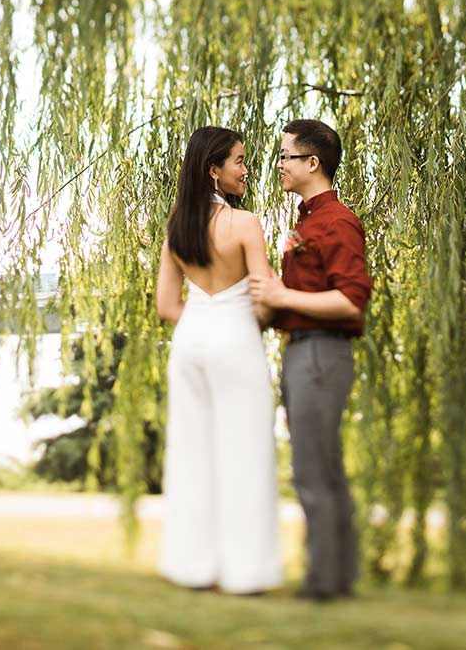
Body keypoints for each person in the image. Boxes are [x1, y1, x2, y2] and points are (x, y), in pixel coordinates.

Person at [154, 125, 284, 594]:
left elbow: (167, 307)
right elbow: (265, 299)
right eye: (240, 161)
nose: (247, 170)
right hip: (234, 339)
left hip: (190, 342)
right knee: (245, 452)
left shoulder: (177, 227)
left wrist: (204, 319)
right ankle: (247, 573)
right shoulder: (245, 224)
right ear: (214, 170)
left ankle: (192, 566)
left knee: (192, 452)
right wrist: (263, 314)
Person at [249, 119, 372, 602]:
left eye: (285, 156)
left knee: (312, 470)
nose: (278, 164)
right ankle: (339, 577)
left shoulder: (336, 221)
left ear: (312, 163)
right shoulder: (307, 221)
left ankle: (322, 583)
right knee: (325, 467)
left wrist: (282, 294)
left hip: (321, 351)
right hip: (307, 349)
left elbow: (351, 301)